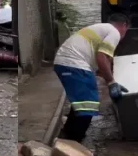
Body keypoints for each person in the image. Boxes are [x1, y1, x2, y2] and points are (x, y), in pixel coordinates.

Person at [53, 14, 130, 143]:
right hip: (74, 64)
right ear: (123, 26)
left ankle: (66, 138)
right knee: (88, 106)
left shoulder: (101, 29)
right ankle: (73, 142)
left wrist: (109, 80)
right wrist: (111, 82)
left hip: (66, 62)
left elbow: (103, 61)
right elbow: (101, 58)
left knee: (81, 103)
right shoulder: (114, 32)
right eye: (126, 32)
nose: (124, 36)